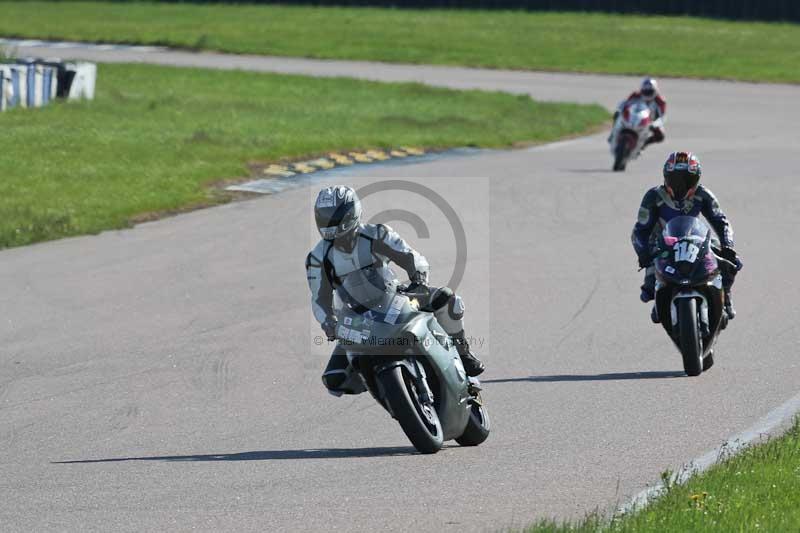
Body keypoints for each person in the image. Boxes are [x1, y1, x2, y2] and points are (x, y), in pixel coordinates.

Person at [306, 185, 485, 396]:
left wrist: (418, 280)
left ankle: (463, 354)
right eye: (325, 218)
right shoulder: (317, 258)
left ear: (351, 213)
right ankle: (385, 388)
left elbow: (410, 257)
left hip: (395, 298)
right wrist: (328, 321)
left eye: (334, 218)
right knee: (335, 378)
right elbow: (318, 298)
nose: (330, 225)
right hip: (354, 320)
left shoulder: (376, 234)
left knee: (449, 301)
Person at [631, 152, 742, 322]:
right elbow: (640, 230)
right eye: (675, 179)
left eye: (686, 180)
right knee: (649, 283)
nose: (680, 185)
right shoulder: (653, 197)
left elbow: (721, 221)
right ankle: (659, 298)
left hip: (695, 238)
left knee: (731, 262)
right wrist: (643, 252)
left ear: (696, 180)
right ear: (666, 178)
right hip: (663, 243)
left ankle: (725, 294)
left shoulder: (702, 194)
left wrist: (728, 246)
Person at [611, 78, 667, 148]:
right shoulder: (635, 95)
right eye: (645, 90)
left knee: (660, 136)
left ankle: (644, 144)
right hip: (633, 116)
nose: (647, 92)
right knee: (616, 115)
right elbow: (624, 103)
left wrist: (655, 124)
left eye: (649, 90)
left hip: (650, 121)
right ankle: (613, 134)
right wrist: (619, 110)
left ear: (655, 90)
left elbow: (662, 117)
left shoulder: (660, 101)